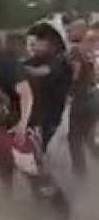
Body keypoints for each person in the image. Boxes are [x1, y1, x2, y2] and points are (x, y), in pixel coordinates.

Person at [0, 36, 70, 220]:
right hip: (0, 127)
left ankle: (61, 219)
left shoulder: (7, 65)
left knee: (37, 176)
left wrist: (22, 124)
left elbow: (26, 94)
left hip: (22, 129)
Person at [24, 21, 73, 152]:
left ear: (54, 43)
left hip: (51, 118)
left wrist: (18, 69)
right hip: (37, 115)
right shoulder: (37, 59)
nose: (36, 43)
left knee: (40, 151)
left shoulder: (60, 61)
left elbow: (41, 71)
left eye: (41, 38)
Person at [68, 22, 99, 176]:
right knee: (88, 137)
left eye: (72, 29)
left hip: (82, 99)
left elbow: (74, 74)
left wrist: (67, 91)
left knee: (74, 138)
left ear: (80, 31)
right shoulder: (92, 49)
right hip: (94, 96)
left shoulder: (76, 50)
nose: (69, 31)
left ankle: (80, 176)